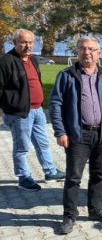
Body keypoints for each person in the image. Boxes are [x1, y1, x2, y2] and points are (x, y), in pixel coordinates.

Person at [49, 36, 102, 234]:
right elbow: (55, 104)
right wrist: (60, 131)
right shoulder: (66, 76)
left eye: (91, 49)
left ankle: (96, 210)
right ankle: (69, 216)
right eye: (82, 48)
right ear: (77, 52)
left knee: (99, 175)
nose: (86, 52)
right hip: (78, 135)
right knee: (74, 177)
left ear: (98, 53)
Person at [0, 29, 65, 191]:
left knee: (43, 143)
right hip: (19, 113)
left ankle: (50, 171)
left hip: (38, 110)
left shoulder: (33, 59)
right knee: (21, 147)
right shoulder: (6, 61)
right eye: (23, 42)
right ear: (14, 42)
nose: (28, 45)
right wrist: (6, 108)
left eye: (30, 42)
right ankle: (23, 177)